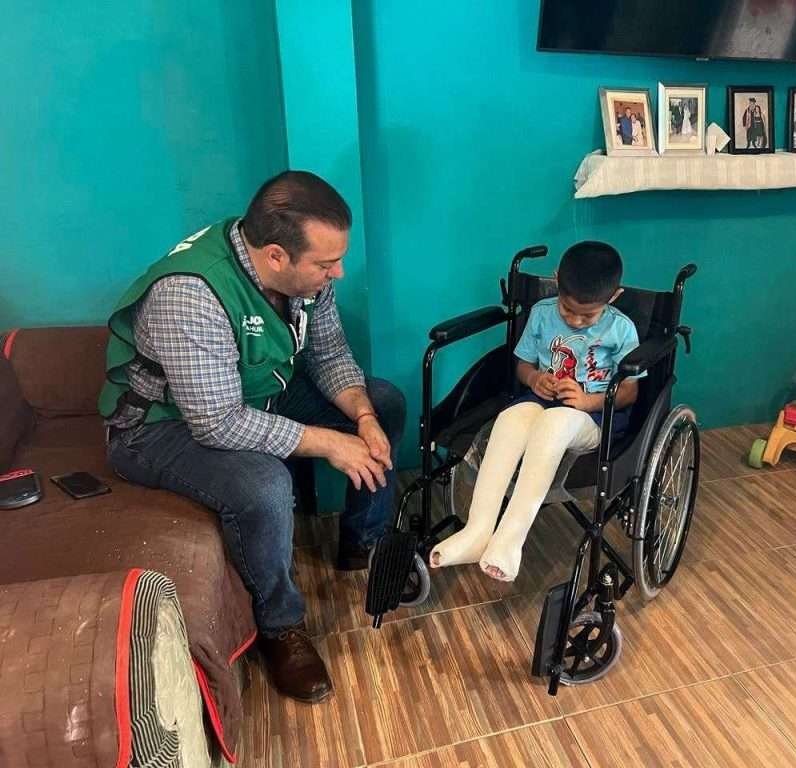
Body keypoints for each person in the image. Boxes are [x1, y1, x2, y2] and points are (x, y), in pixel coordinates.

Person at [100, 171, 406, 704]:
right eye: (326, 264)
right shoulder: (190, 295)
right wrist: (330, 443)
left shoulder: (306, 279)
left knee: (385, 402)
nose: (337, 273)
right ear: (276, 256)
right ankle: (279, 627)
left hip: (254, 393)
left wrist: (362, 417)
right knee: (264, 485)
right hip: (160, 427)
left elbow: (329, 354)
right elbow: (217, 422)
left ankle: (364, 542)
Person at [429, 242, 643, 582]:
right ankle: (477, 531)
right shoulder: (542, 313)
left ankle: (509, 541)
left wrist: (589, 400)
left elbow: (630, 391)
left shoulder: (621, 329)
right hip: (543, 401)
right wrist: (534, 378)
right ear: (556, 280)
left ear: (614, 297)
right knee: (509, 418)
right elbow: (523, 365)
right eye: (567, 309)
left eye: (587, 316)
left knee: (554, 422)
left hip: (595, 416)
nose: (575, 320)